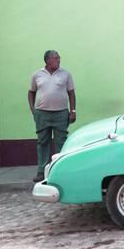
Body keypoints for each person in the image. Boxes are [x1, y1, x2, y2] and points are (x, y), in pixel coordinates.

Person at [28, 50, 76, 182]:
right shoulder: (37, 74)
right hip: (42, 114)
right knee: (42, 142)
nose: (58, 60)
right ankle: (41, 171)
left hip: (61, 113)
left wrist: (73, 111)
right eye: (55, 58)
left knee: (61, 142)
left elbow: (71, 93)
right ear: (47, 60)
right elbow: (31, 92)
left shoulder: (65, 74)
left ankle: (60, 170)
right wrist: (33, 110)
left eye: (59, 58)